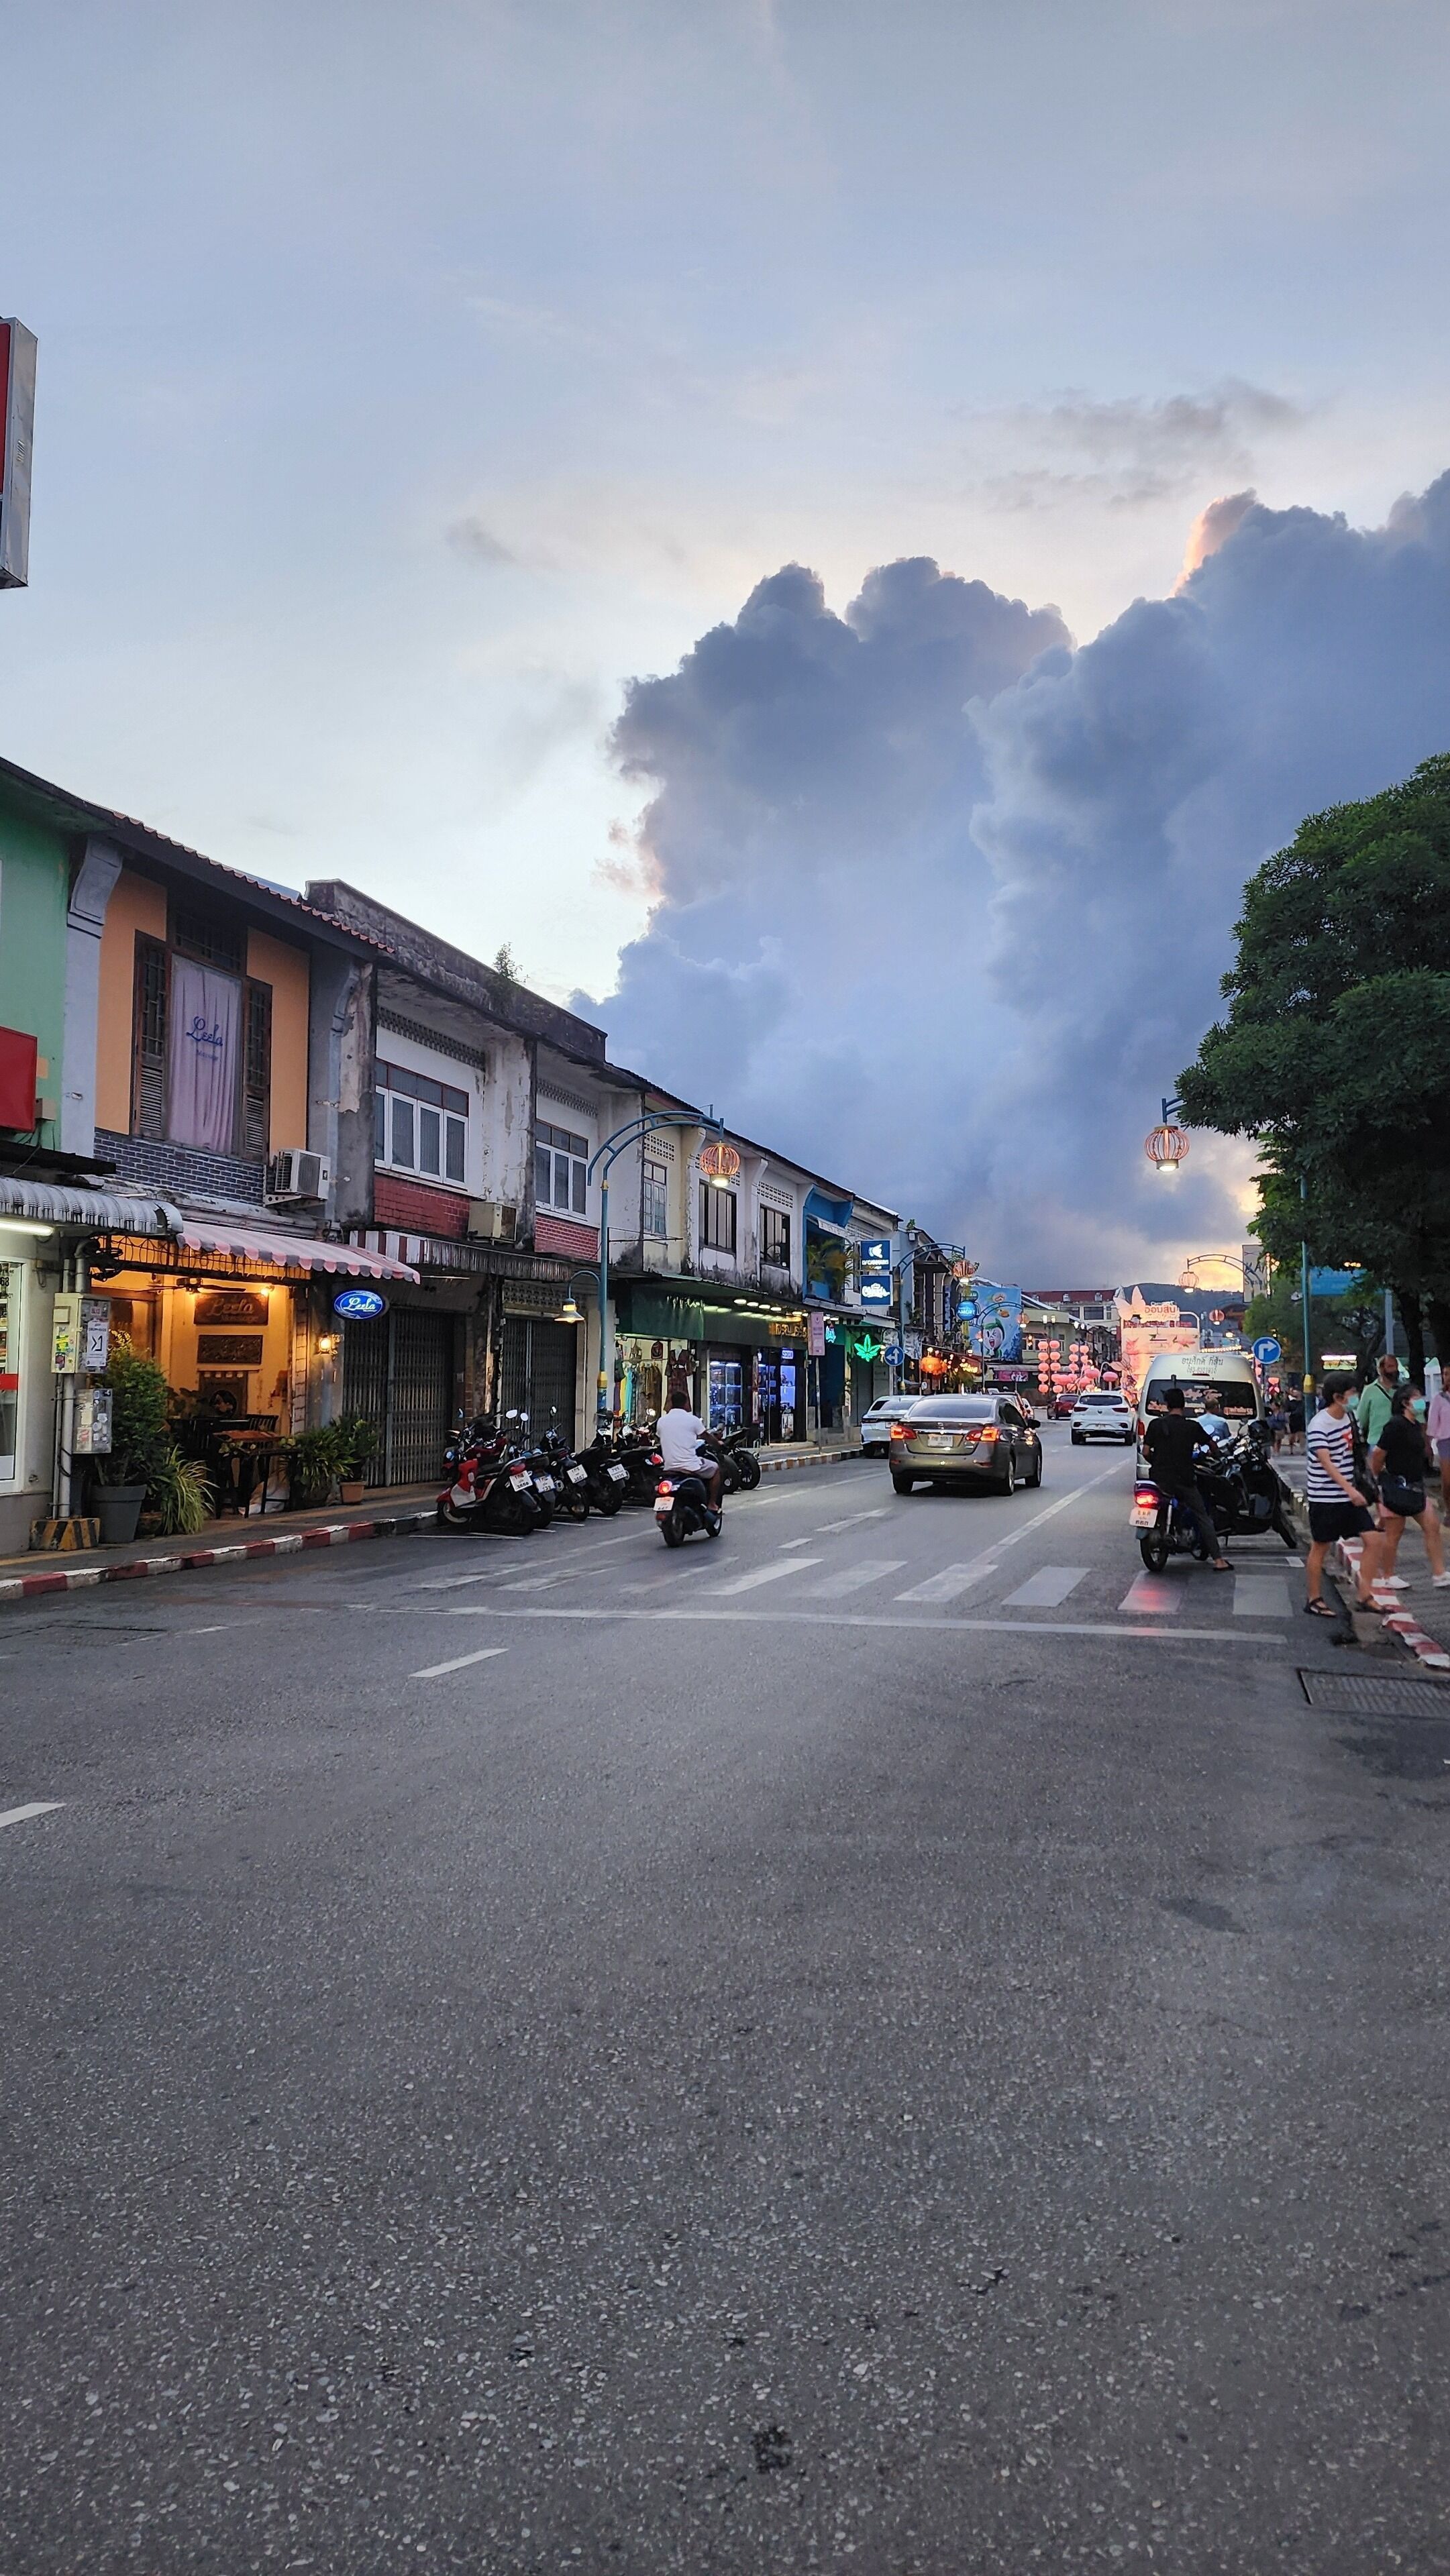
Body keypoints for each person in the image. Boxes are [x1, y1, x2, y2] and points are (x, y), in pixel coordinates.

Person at [1304, 1375, 1385, 1618]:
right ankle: (1314, 1599)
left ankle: (1364, 1595)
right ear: (1338, 1397)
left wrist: (1367, 1488)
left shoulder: (1350, 1418)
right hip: (1326, 1498)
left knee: (1373, 1540)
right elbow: (1326, 1463)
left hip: (1350, 1495)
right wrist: (1350, 1490)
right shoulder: (1320, 1424)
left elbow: (1356, 1455)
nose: (1354, 1398)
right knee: (1320, 1547)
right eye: (1351, 1393)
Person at [1369, 1389, 1450, 1591]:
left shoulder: (1415, 1425)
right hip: (1397, 1486)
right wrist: (1377, 1478)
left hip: (1415, 1486)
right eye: (1417, 1398)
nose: (1421, 1401)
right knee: (1394, 1534)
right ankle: (1388, 1575)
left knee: (1432, 1526)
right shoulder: (1395, 1425)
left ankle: (1439, 1573)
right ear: (1406, 1403)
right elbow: (1379, 1453)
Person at [1141, 1387, 1230, 1570]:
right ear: (1183, 1405)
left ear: (1166, 1405)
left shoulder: (1156, 1425)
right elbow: (1212, 1445)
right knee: (1202, 1515)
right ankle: (1219, 1560)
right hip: (1184, 1480)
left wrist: (1156, 1461)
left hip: (1159, 1479)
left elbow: (1146, 1452)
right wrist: (1216, 1454)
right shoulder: (1192, 1426)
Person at [656, 1392, 724, 1512]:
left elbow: (659, 1437)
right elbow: (707, 1436)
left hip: (669, 1467)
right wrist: (717, 1444)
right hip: (690, 1467)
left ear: (671, 1403)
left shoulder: (661, 1421)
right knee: (715, 1468)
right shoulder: (693, 1420)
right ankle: (712, 1503)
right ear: (686, 1403)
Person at [1354, 1351, 1403, 1451]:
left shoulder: (1405, 1390)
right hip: (1377, 1441)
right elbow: (1361, 1418)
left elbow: (1419, 1417)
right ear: (1381, 1369)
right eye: (1390, 1366)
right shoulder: (1369, 1390)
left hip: (1401, 1441)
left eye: (1396, 1366)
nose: (1394, 1370)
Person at [1427, 1379, 1450, 1523]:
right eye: (1445, 1374)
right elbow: (1433, 1423)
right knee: (1447, 1480)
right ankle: (1448, 1509)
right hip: (1445, 1441)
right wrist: (1428, 1444)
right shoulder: (1439, 1399)